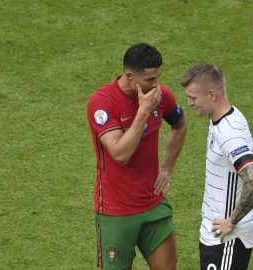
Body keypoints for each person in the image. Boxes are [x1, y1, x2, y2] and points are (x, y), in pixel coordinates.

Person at [87, 43, 187, 270]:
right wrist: (143, 112)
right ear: (130, 76)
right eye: (149, 80)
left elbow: (179, 125)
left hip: (153, 205)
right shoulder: (102, 102)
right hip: (116, 212)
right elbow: (120, 154)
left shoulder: (159, 96)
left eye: (157, 78)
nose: (155, 86)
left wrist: (168, 167)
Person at [181, 63, 253, 270]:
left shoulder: (230, 133)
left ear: (211, 95)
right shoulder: (221, 118)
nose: (189, 103)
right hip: (215, 233)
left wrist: (231, 222)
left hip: (227, 238)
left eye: (193, 97)